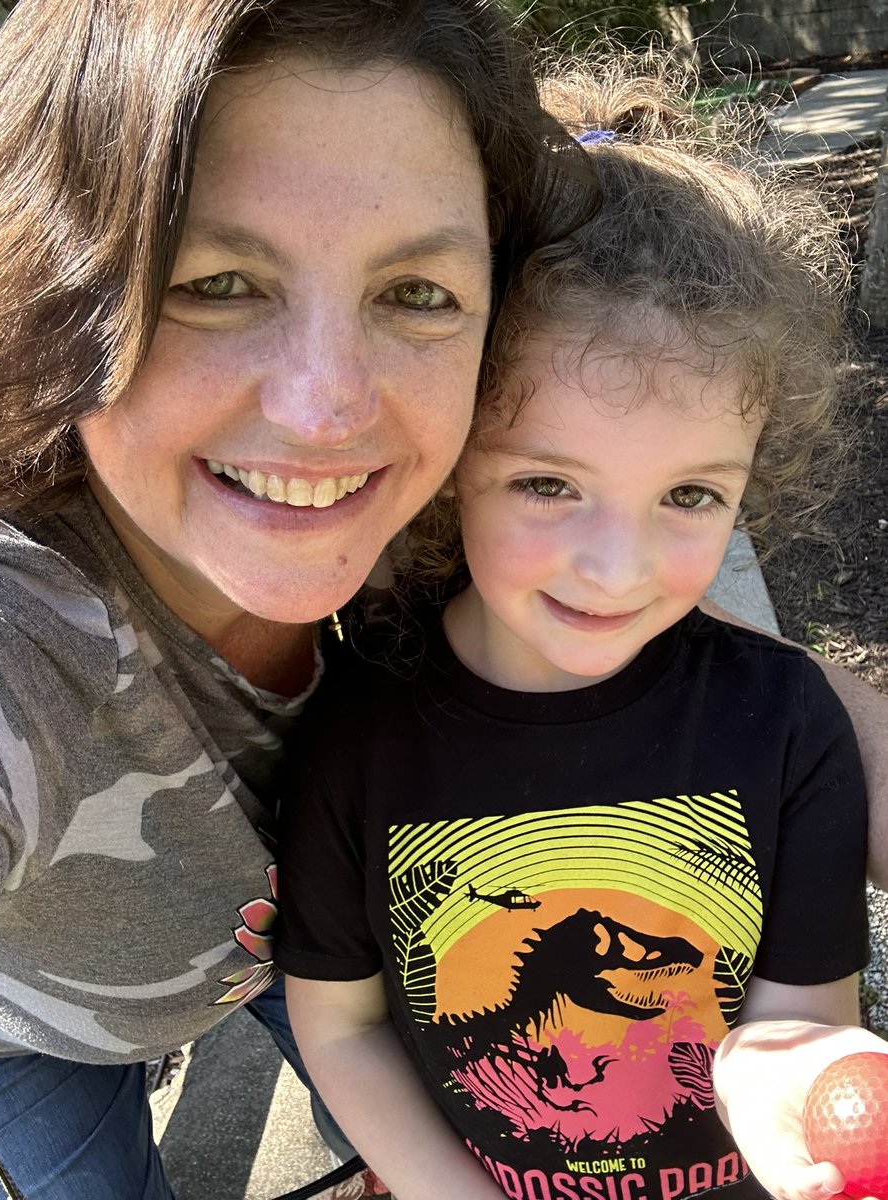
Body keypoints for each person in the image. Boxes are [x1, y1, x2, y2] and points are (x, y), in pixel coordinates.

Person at [0, 1, 600, 1196]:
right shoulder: (16, 631)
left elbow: (752, 683)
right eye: (216, 281)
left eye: (417, 292)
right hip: (39, 1031)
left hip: (287, 937)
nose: (328, 408)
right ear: (62, 294)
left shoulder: (448, 516)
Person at [275, 56, 884, 1200]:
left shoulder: (786, 723)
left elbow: (803, 1013)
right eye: (549, 484)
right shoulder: (356, 739)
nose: (619, 568)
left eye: (691, 496)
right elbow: (343, 1019)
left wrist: (806, 1086)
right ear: (452, 467)